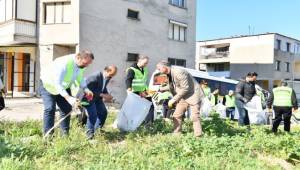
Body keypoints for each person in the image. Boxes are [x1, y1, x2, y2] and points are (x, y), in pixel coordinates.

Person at [40, 50, 94, 136]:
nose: (86, 66)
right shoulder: (63, 63)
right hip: (49, 86)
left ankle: (64, 135)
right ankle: (48, 136)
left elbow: (80, 77)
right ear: (78, 58)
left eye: (88, 64)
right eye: (85, 63)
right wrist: (68, 97)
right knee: (50, 109)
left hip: (63, 87)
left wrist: (86, 89)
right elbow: (57, 83)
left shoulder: (81, 65)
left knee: (66, 109)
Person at [156, 61, 204, 137]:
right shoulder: (169, 74)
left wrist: (173, 99)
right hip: (183, 96)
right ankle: (176, 134)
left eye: (159, 69)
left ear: (164, 67)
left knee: (195, 116)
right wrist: (161, 89)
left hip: (193, 95)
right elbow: (174, 86)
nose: (159, 71)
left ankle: (198, 136)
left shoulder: (179, 72)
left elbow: (185, 88)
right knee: (176, 115)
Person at [82, 65, 117, 139]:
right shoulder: (95, 76)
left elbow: (103, 88)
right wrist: (103, 95)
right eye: (111, 75)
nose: (111, 77)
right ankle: (89, 136)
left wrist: (107, 95)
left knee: (103, 112)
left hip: (97, 97)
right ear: (106, 71)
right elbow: (87, 89)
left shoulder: (107, 77)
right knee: (93, 115)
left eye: (112, 76)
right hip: (88, 97)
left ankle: (97, 130)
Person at [126, 55, 154, 124]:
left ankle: (149, 124)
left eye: (147, 63)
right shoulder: (131, 69)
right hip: (135, 92)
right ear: (139, 60)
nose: (146, 64)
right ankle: (131, 123)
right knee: (135, 109)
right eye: (145, 63)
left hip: (144, 91)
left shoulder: (145, 69)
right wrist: (129, 89)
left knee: (150, 106)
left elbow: (143, 81)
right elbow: (128, 80)